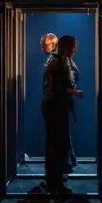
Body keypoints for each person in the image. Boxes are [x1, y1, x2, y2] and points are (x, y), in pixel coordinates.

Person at [41, 35, 83, 194]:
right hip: (55, 107)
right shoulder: (58, 62)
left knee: (56, 145)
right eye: (73, 48)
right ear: (65, 48)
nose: (75, 51)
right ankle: (55, 183)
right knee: (57, 146)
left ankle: (55, 181)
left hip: (54, 106)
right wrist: (75, 92)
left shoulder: (57, 61)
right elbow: (58, 87)